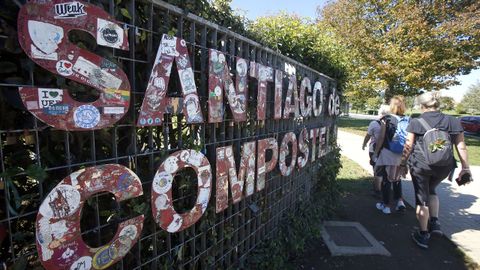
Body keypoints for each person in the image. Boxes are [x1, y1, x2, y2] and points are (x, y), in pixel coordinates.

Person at [399, 91, 472, 249]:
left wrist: (402, 164)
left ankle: (423, 234)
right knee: (432, 189)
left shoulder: (416, 122)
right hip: (444, 167)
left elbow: (408, 145)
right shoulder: (453, 121)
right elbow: (461, 146)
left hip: (421, 166)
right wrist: (465, 168)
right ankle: (435, 222)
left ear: (422, 106)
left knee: (421, 198)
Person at [374, 96, 409, 214]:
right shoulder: (408, 119)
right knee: (397, 178)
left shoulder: (386, 119)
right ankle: (400, 202)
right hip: (402, 154)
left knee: (386, 179)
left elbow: (381, 137)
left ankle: (386, 205)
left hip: (388, 152)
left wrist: (376, 152)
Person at [362, 105, 390, 197]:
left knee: (376, 169)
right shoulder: (392, 123)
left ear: (380, 113)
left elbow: (368, 135)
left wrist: (364, 143)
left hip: (375, 149)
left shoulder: (374, 124)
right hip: (388, 149)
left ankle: (377, 190)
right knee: (385, 170)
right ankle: (385, 188)